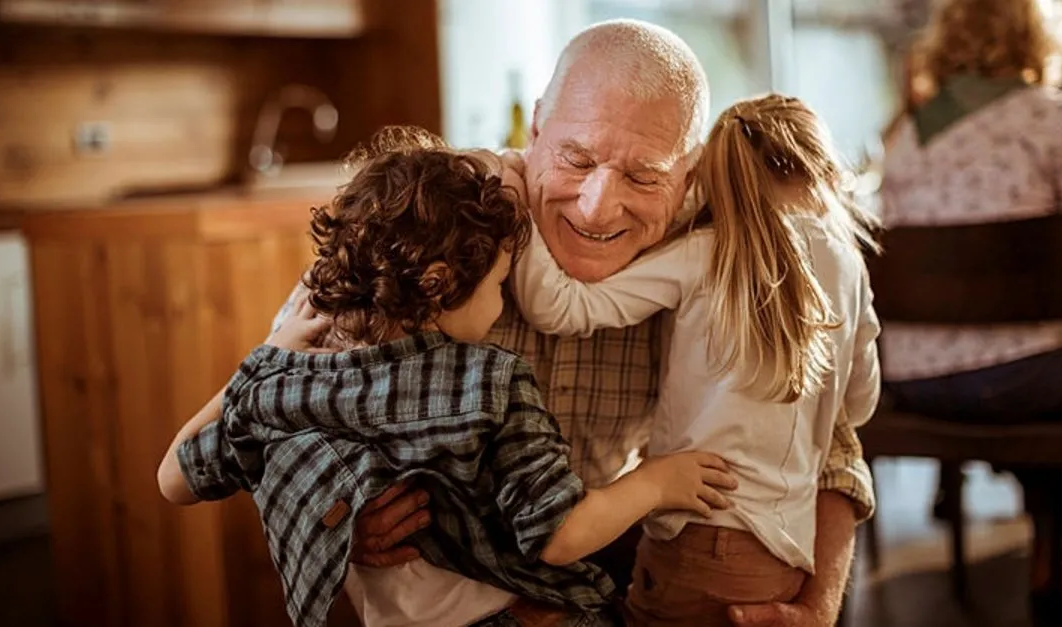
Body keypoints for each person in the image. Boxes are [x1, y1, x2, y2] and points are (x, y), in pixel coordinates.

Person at [165, 19, 874, 627]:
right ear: (535, 127)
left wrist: (820, 600)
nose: (599, 207)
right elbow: (279, 397)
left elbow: (829, 426)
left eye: (643, 176)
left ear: (687, 178)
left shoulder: (711, 251)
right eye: (576, 157)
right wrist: (337, 512)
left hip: (596, 564)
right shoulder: (439, 221)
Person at [158, 128, 738, 627]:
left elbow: (174, 478)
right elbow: (559, 534)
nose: (500, 305)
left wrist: (267, 359)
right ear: (437, 283)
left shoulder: (287, 380)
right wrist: (658, 483)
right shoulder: (490, 382)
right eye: (498, 284)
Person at [511, 94, 881, 626]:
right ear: (821, 166)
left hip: (696, 536)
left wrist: (514, 201)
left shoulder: (707, 252)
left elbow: (557, 306)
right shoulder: (849, 267)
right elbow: (861, 405)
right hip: (785, 550)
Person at [879, 0, 1062, 603]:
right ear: (1038, 38)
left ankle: (1051, 557)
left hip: (915, 380)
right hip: (1025, 380)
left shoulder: (908, 135)